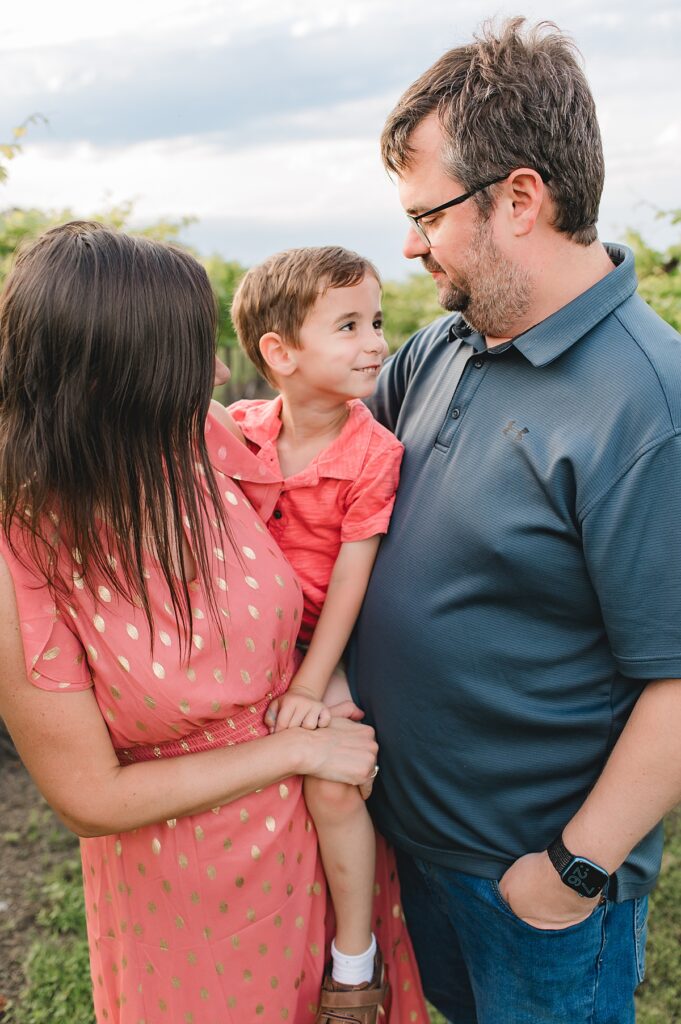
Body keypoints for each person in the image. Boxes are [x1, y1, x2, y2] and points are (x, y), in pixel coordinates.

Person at [0, 222, 426, 1024]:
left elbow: (315, 538)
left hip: (323, 843)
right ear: (106, 381)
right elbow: (89, 796)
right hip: (192, 897)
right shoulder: (21, 552)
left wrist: (322, 685)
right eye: (189, 358)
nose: (221, 373)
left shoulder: (196, 437)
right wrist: (296, 747)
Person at [347, 17, 681, 1024]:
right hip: (419, 849)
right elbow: (329, 477)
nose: (409, 244)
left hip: (532, 886)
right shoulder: (443, 346)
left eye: (427, 214)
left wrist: (570, 870)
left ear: (522, 198)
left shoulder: (646, 404)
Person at [223, 245, 407, 1024]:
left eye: (376, 321)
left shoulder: (373, 453)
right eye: (348, 325)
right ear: (280, 353)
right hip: (241, 641)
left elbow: (348, 584)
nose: (374, 341)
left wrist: (308, 684)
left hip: (316, 649)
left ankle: (354, 963)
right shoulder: (237, 431)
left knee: (333, 783)